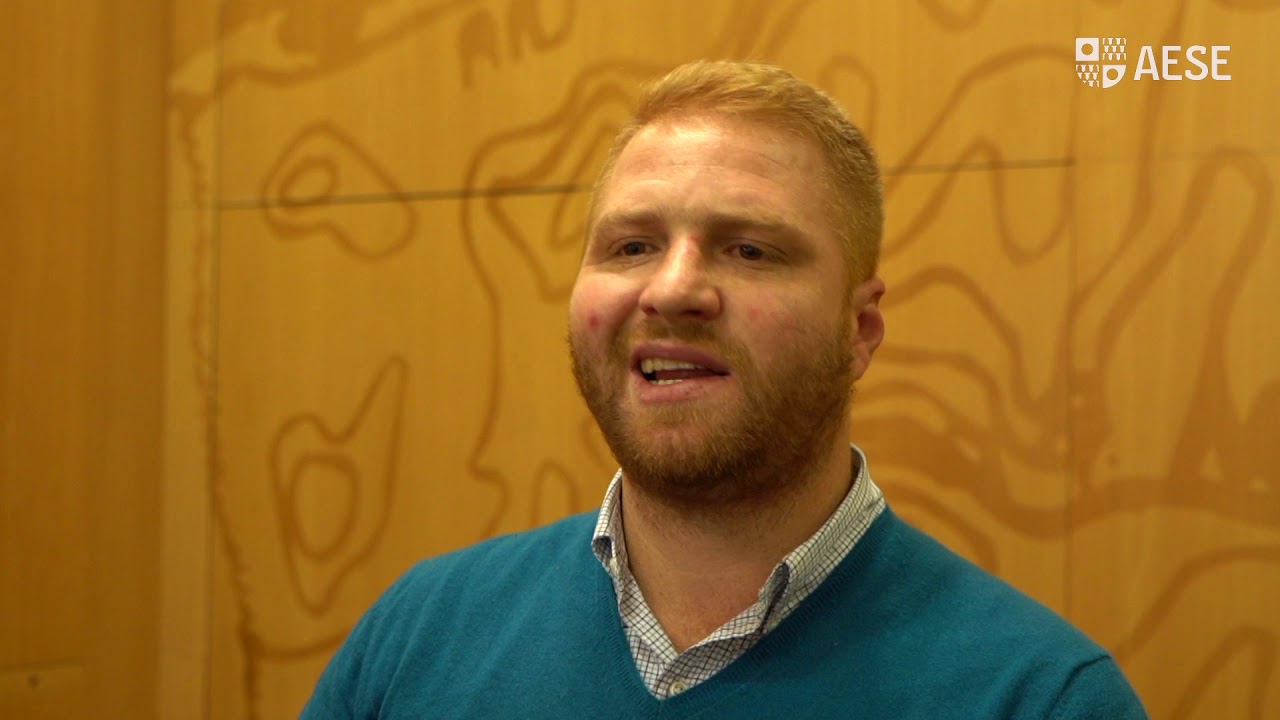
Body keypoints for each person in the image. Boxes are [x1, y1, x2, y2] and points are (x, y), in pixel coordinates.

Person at [301, 60, 1148, 719]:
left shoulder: (1040, 698)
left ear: (859, 331)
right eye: (632, 246)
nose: (672, 289)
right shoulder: (418, 636)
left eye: (749, 250)